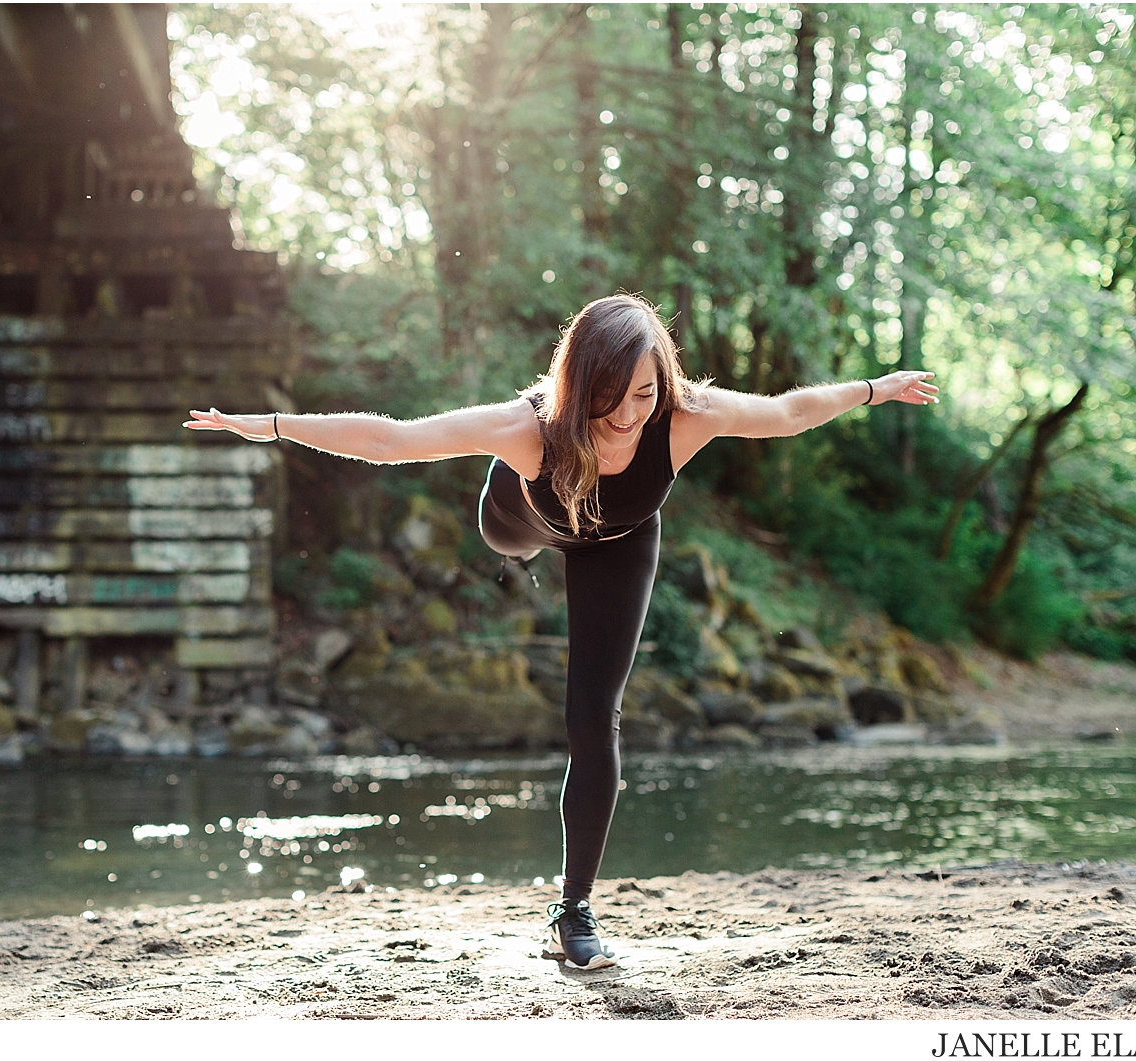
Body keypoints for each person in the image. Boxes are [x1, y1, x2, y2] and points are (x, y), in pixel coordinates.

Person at [184, 293, 939, 969]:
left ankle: (573, 911)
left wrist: (876, 388)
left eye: (644, 393)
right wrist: (273, 425)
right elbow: (393, 440)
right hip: (520, 522)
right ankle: (517, 550)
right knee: (512, 543)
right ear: (579, 384)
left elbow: (787, 414)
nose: (629, 413)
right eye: (610, 397)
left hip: (618, 541)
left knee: (592, 719)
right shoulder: (528, 427)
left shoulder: (686, 416)